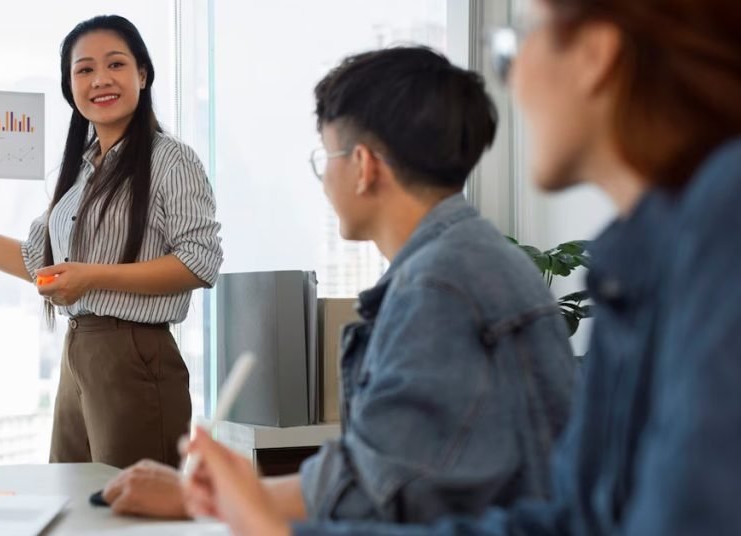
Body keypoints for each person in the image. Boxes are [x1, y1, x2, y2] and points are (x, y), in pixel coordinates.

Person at [180, 0, 741, 534]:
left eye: (513, 46)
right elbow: (575, 523)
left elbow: (385, 485)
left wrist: (263, 510)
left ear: (595, 54)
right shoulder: (649, 250)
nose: (512, 79)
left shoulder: (444, 280)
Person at [102, 46, 579, 525]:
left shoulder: (440, 285)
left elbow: (378, 486)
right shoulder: (466, 259)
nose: (324, 177)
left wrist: (201, 499)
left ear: (364, 165)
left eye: (326, 156)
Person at [0, 15, 223, 469]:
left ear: (142, 75)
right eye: (84, 70)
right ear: (70, 88)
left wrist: (91, 278)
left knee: (128, 513)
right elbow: (33, 259)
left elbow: (199, 262)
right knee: (74, 501)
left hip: (134, 353)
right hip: (79, 352)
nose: (100, 79)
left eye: (116, 65)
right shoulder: (84, 171)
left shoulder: (171, 159)